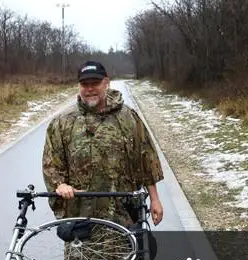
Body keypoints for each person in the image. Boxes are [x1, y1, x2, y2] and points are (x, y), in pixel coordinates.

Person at [42, 60, 164, 228]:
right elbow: (51, 164)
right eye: (85, 84)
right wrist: (60, 185)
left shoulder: (128, 117)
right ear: (79, 86)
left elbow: (147, 160)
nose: (90, 89)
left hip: (124, 215)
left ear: (106, 83)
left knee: (130, 253)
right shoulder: (62, 122)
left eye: (95, 83)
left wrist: (155, 200)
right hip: (81, 219)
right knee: (82, 253)